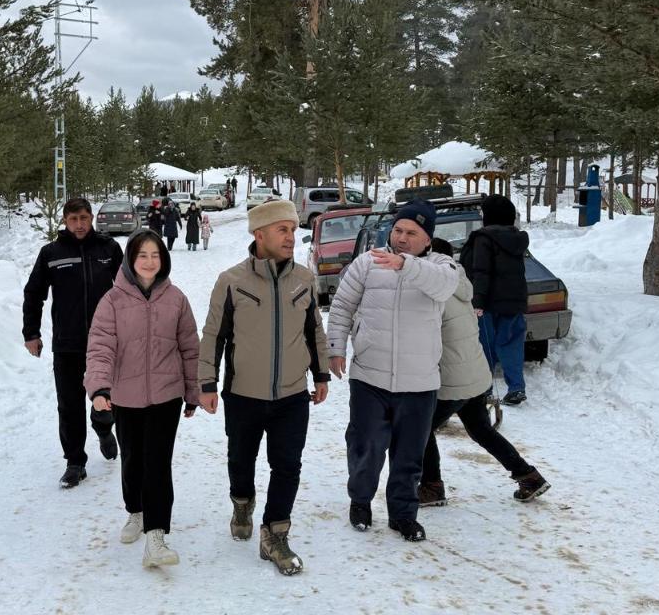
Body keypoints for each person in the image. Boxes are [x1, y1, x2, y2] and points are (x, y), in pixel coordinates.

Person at [197, 199, 331, 576]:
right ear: (260, 235)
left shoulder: (303, 278)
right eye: (282, 230)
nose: (291, 236)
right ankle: (242, 502)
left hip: (292, 395)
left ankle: (275, 533)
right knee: (241, 461)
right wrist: (206, 382)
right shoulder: (232, 281)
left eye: (292, 229)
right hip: (243, 395)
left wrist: (320, 376)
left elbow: (313, 331)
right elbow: (213, 336)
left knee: (287, 465)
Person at [325, 199, 458, 542]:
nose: (401, 237)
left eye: (411, 233)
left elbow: (443, 287)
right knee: (366, 446)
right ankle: (360, 502)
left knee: (409, 456)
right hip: (370, 375)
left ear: (427, 238)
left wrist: (405, 265)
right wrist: (336, 348)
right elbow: (341, 306)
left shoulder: (442, 266)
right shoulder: (367, 264)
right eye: (398, 229)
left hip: (419, 382)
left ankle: (402, 515)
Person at [85, 231, 200, 568]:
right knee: (133, 459)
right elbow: (100, 348)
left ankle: (156, 536)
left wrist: (192, 392)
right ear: (130, 260)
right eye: (143, 255)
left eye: (156, 255)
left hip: (167, 396)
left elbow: (190, 349)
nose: (150, 262)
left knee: (158, 463)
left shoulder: (176, 299)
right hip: (126, 395)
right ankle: (134, 512)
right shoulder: (112, 301)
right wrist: (100, 388)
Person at [419, 238, 550, 508]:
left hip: (453, 381)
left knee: (419, 430)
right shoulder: (462, 286)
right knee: (481, 430)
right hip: (476, 374)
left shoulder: (437, 294)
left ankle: (432, 487)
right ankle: (528, 476)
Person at [23, 198, 124, 488]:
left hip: (105, 343)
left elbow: (129, 290)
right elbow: (34, 293)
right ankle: (75, 462)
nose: (79, 224)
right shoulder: (51, 253)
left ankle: (104, 430)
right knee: (68, 406)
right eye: (73, 219)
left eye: (83, 218)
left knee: (106, 399)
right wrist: (31, 333)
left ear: (91, 218)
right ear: (65, 221)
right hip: (67, 344)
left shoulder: (108, 249)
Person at [461, 194, 531, 405]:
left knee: (486, 346)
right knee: (511, 344)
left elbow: (481, 272)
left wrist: (478, 302)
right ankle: (516, 388)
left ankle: (485, 389)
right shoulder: (517, 240)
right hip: (514, 301)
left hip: (489, 303)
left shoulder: (484, 239)